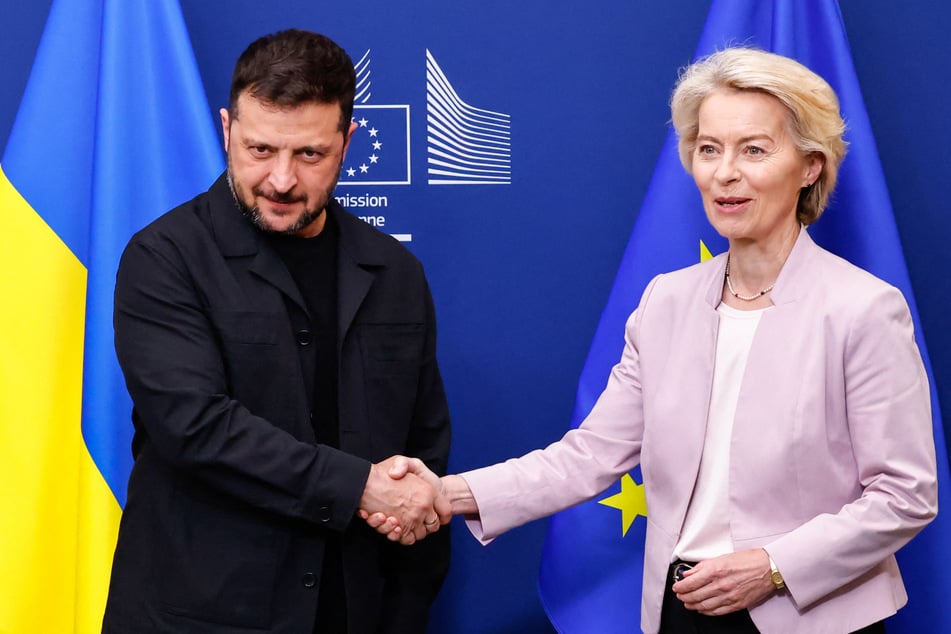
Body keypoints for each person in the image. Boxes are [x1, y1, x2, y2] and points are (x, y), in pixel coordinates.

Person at [365, 48, 938, 633]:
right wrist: (445, 492)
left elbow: (905, 494)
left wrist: (774, 567)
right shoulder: (667, 301)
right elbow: (587, 456)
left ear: (811, 166)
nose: (725, 172)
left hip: (813, 616)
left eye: (754, 150)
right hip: (680, 610)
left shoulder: (863, 308)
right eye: (708, 149)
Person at [101, 29, 450, 634]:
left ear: (347, 142)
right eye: (260, 150)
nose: (282, 180)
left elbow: (423, 447)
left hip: (356, 610)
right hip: (201, 614)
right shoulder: (164, 257)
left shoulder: (394, 271)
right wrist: (360, 488)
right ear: (227, 130)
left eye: (309, 154)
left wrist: (407, 598)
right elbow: (196, 427)